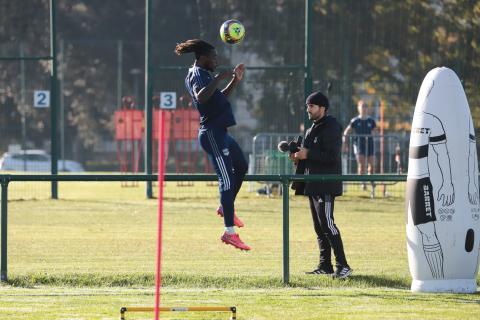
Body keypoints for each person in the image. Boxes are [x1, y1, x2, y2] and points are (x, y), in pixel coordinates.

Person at [175, 39, 250, 251]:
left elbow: (220, 98)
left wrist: (235, 80)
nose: (216, 61)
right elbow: (201, 96)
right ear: (202, 58)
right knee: (226, 180)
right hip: (212, 134)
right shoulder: (197, 74)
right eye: (213, 58)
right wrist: (218, 78)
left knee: (242, 165)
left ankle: (226, 207)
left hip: (221, 133)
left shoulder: (206, 76)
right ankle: (230, 233)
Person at [290, 91, 352, 279]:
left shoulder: (331, 126)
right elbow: (308, 155)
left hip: (326, 184)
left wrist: (307, 154)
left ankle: (343, 266)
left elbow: (332, 157)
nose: (308, 109)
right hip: (312, 184)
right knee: (319, 227)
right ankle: (325, 265)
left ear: (322, 108)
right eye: (307, 106)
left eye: (312, 106)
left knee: (328, 224)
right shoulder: (312, 128)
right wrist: (297, 157)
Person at [343, 100, 377, 194]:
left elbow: (375, 132)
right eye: (362, 106)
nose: (364, 108)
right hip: (359, 145)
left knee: (372, 164)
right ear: (358, 108)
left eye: (366, 106)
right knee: (361, 164)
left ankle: (371, 180)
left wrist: (374, 136)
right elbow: (346, 132)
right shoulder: (355, 121)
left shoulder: (371, 120)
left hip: (370, 145)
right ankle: (363, 182)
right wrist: (345, 142)